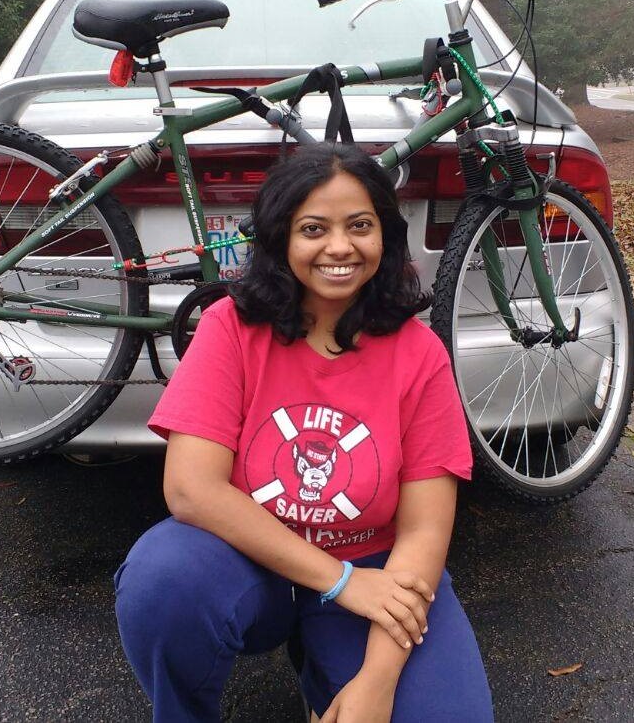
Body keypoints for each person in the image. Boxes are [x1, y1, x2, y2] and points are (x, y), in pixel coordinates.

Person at [115, 144, 493, 722]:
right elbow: (192, 489)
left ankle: (330, 678)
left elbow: (423, 532)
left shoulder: (421, 355)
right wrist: (338, 581)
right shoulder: (231, 328)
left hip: (375, 567)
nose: (339, 247)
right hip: (251, 560)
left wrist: (377, 681)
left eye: (359, 226)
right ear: (280, 240)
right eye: (313, 228)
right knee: (164, 580)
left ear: (385, 238)